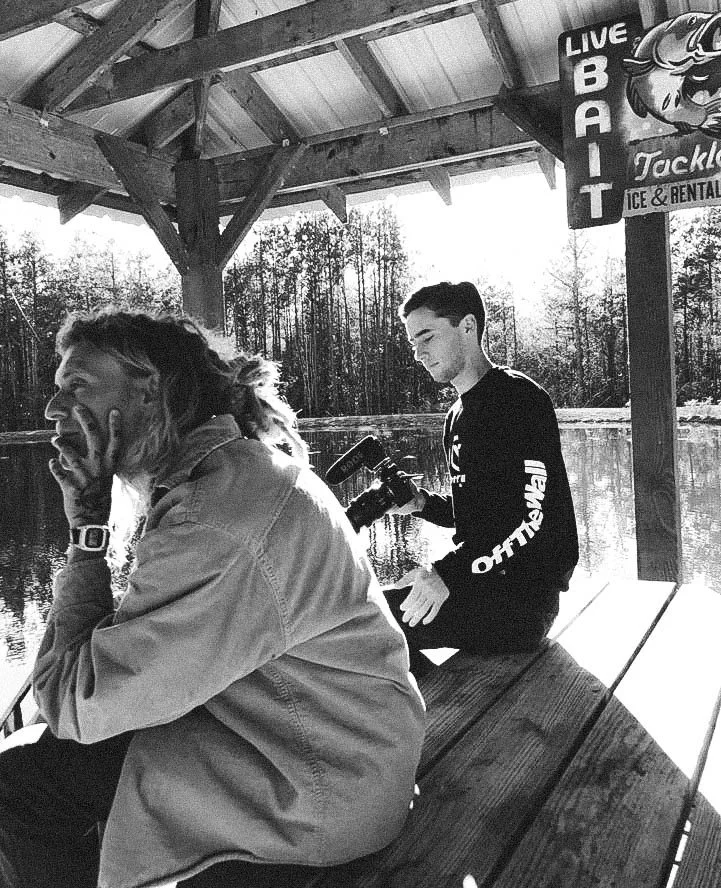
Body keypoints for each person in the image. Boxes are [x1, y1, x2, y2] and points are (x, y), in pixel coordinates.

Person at [0, 307, 425, 888]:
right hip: (342, 749)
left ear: (149, 392)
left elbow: (75, 702)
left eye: (77, 386)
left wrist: (86, 538)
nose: (53, 409)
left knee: (20, 787)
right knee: (47, 763)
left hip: (320, 792)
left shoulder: (213, 520)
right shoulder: (230, 474)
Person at [384, 281, 578, 666]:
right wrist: (421, 503)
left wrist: (445, 573)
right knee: (362, 610)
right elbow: (481, 514)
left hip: (523, 603)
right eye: (413, 343)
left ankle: (419, 715)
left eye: (427, 336)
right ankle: (429, 704)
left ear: (468, 326)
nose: (419, 354)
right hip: (479, 586)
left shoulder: (518, 400)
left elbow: (532, 519)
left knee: (360, 626)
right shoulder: (456, 416)